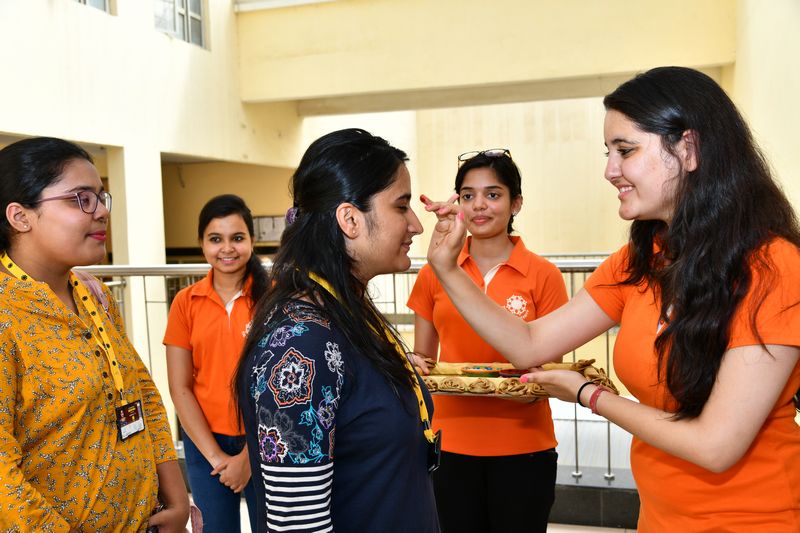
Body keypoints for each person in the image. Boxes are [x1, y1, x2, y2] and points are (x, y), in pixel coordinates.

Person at [424, 67, 800, 532]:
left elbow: (715, 446)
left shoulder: (773, 268)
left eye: (626, 150)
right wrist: (446, 268)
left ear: (688, 149)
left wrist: (589, 394)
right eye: (608, 152)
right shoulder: (638, 261)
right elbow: (529, 343)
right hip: (661, 517)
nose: (610, 170)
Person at [234, 128, 439, 532]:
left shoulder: (346, 314)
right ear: (350, 219)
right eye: (402, 206)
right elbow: (298, 525)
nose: (416, 225)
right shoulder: (301, 349)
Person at [0, 137, 189, 532]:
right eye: (80, 199)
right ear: (20, 217)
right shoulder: (7, 316)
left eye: (101, 198)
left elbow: (141, 395)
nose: (101, 211)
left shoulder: (93, 296)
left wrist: (177, 502)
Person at [407, 149, 567, 532]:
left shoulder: (543, 275)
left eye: (493, 194)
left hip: (525, 445)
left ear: (516, 203)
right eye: (468, 195)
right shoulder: (435, 272)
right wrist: (410, 364)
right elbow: (424, 359)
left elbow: (549, 367)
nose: (479, 205)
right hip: (449, 443)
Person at [164, 194, 266, 532]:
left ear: (252, 240)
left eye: (237, 237)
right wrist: (218, 458)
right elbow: (180, 387)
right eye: (215, 239)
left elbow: (284, 387)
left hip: (268, 438)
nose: (227, 248)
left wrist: (248, 457)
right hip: (205, 442)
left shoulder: (275, 297)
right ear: (201, 244)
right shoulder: (185, 302)